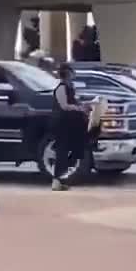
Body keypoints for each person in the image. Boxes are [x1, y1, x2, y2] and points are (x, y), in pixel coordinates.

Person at [49, 63, 90, 191]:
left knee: (74, 150)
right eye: (71, 72)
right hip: (62, 123)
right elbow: (64, 106)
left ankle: (61, 178)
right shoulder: (61, 88)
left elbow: (73, 102)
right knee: (62, 151)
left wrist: (83, 106)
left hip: (71, 123)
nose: (73, 74)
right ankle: (56, 181)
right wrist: (79, 108)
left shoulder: (70, 87)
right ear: (67, 73)